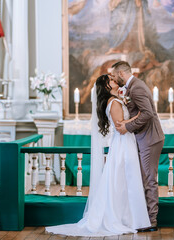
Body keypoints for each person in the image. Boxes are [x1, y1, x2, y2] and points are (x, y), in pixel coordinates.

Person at [45, 74, 150, 237]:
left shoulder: (116, 100)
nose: (116, 81)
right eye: (112, 80)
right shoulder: (114, 103)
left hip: (125, 143)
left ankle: (131, 217)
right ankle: (124, 218)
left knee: (124, 180)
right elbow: (121, 126)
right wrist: (141, 114)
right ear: (107, 86)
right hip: (123, 144)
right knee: (124, 179)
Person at [112, 61, 165, 232]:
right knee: (142, 177)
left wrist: (127, 127)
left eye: (114, 75)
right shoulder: (131, 87)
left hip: (149, 138)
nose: (113, 78)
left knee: (149, 179)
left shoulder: (137, 87)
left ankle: (152, 220)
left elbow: (148, 113)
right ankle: (142, 216)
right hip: (142, 138)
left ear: (121, 73)